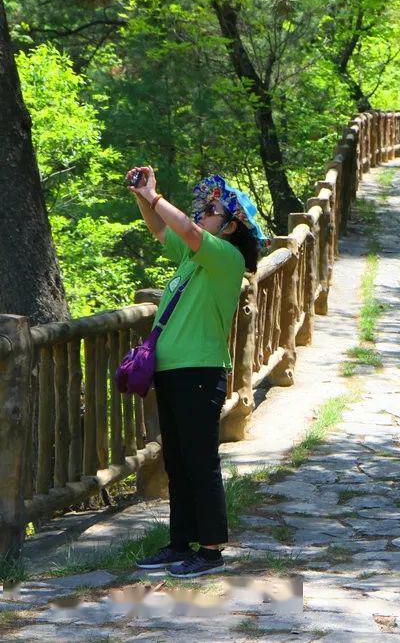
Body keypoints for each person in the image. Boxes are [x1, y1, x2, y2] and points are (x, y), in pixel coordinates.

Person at [128, 167, 266, 578]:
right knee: (178, 460)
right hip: (173, 371)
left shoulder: (226, 257)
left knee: (200, 461)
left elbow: (185, 228)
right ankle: (179, 543)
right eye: (204, 209)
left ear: (232, 224)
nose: (203, 214)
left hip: (200, 372)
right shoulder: (195, 258)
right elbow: (161, 230)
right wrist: (142, 195)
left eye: (212, 210)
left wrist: (155, 196)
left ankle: (210, 551)